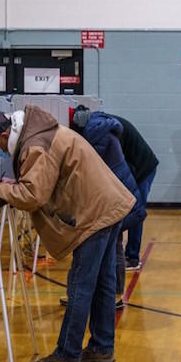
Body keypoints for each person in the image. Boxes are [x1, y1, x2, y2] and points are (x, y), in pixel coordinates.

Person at [0, 107, 135, 362]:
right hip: (108, 204)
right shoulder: (43, 131)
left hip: (94, 212)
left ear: (5, 135)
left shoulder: (35, 144)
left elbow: (32, 195)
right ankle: (102, 347)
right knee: (103, 283)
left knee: (80, 285)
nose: (1, 152)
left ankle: (68, 353)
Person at [69, 108, 147, 310]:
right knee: (114, 245)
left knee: (114, 246)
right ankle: (112, 295)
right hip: (124, 196)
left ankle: (114, 295)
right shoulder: (102, 131)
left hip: (123, 201)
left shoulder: (97, 140)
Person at [109, 114, 158, 271]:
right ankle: (125, 253)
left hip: (143, 169)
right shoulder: (107, 126)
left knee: (136, 212)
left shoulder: (108, 132)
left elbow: (119, 164)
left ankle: (133, 257)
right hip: (137, 167)